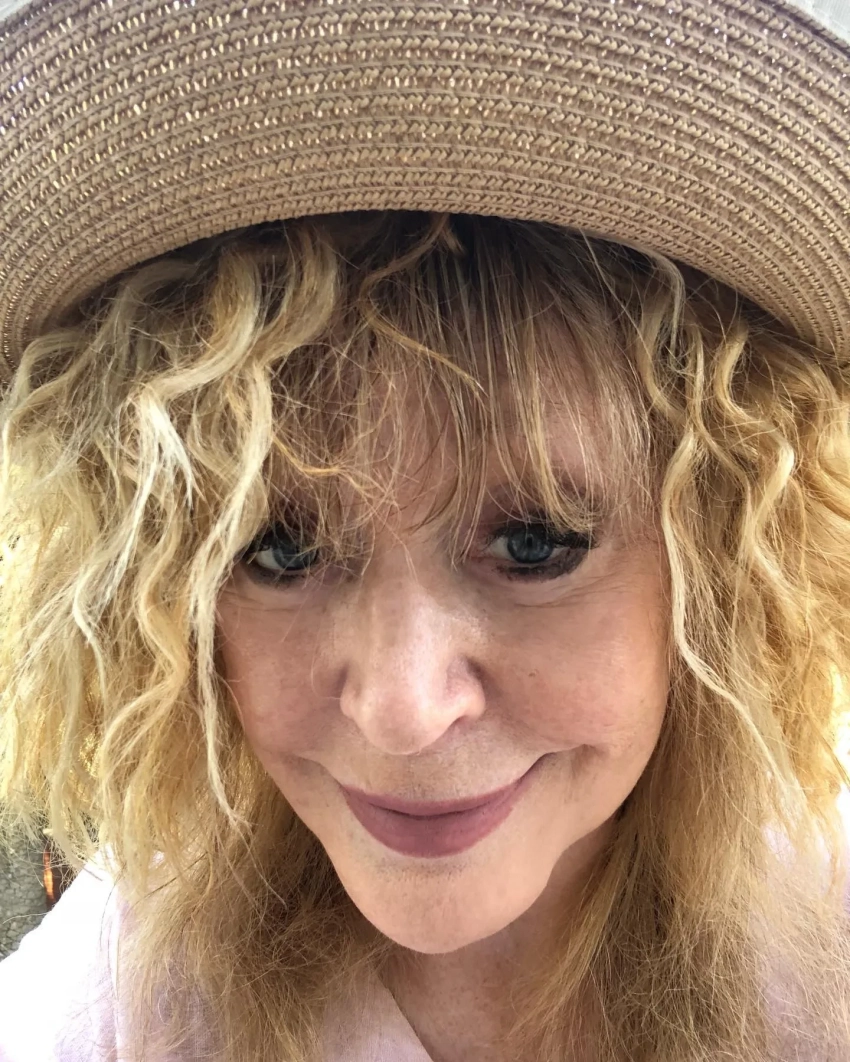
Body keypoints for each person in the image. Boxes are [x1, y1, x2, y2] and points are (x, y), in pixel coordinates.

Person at [1, 2, 850, 1061]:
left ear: (719, 557)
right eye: (279, 550)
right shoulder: (121, 999)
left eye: (536, 543)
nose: (402, 711)